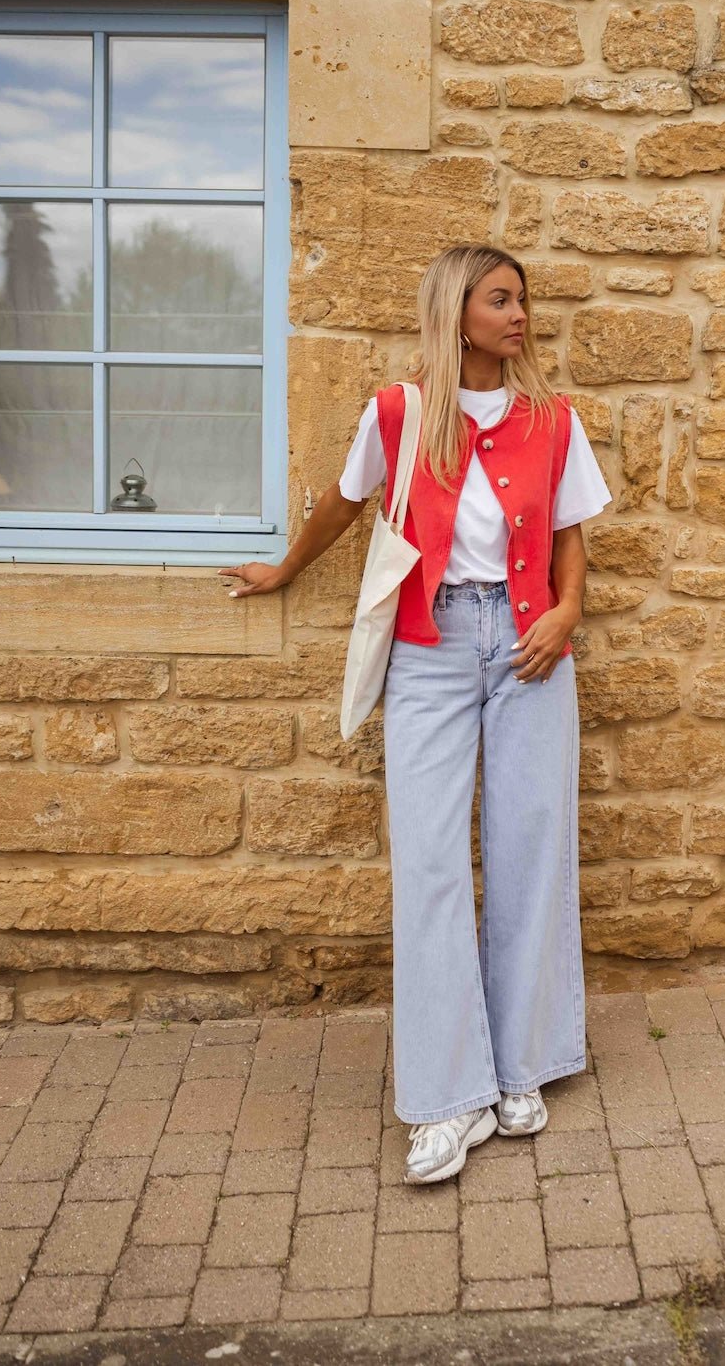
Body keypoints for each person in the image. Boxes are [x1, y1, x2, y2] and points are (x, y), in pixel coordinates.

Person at [220, 243, 612, 1185]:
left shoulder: (552, 420)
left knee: (529, 847)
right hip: (428, 648)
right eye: (501, 300)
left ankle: (523, 1067)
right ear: (458, 312)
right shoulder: (397, 413)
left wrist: (568, 614)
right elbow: (342, 506)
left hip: (528, 648)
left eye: (522, 300)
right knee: (432, 863)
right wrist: (284, 570)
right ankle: (446, 1099)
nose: (520, 315)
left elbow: (571, 540)